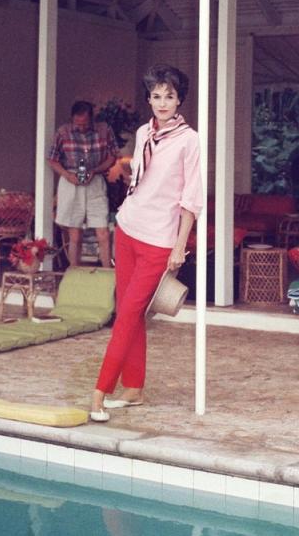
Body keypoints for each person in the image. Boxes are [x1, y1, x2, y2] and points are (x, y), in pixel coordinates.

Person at [89, 64, 203, 422]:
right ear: (149, 99)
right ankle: (134, 387)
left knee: (125, 316)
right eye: (156, 95)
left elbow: (191, 200)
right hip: (127, 228)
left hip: (158, 240)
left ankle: (98, 393)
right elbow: (141, 181)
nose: (162, 102)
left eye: (169, 95)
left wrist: (179, 247)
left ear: (180, 98)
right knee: (129, 311)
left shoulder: (190, 140)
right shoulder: (142, 134)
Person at [47, 100, 117, 267]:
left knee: (103, 232)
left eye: (84, 123)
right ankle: (74, 271)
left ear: (91, 119)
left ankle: (107, 273)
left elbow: (113, 156)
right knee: (75, 234)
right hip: (71, 182)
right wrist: (67, 175)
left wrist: (96, 170)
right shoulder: (63, 132)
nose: (81, 127)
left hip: (95, 182)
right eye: (77, 123)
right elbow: (52, 159)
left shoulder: (104, 130)